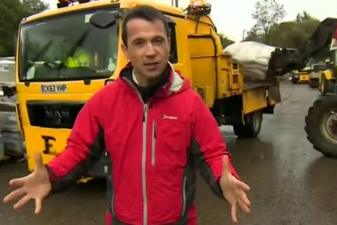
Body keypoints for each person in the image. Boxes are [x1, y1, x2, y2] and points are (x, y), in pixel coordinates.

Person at [3, 5, 251, 225]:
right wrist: (52, 176)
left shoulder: (190, 103)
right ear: (125, 49)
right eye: (140, 43)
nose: (151, 51)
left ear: (168, 44)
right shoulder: (104, 101)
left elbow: (213, 153)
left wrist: (223, 181)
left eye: (158, 41)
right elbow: (78, 151)